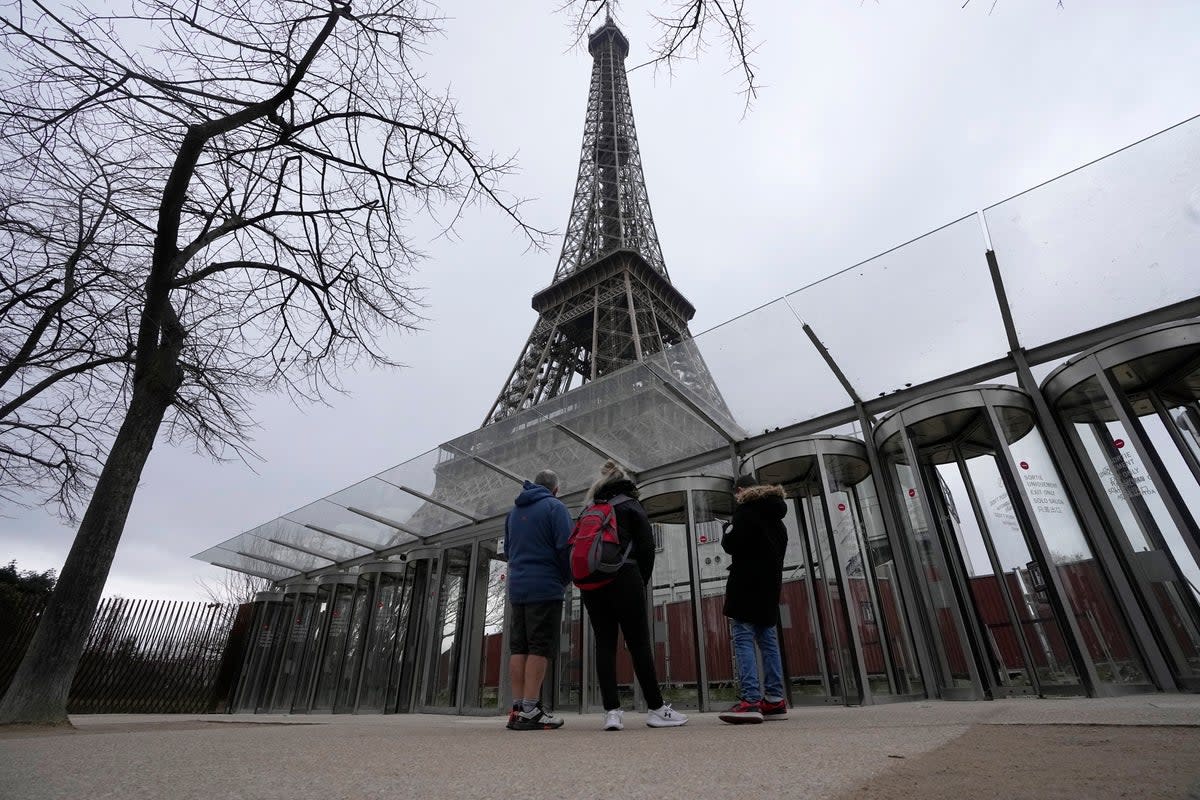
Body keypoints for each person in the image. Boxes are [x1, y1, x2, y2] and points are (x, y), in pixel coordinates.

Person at [578, 460, 688, 731]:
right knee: (638, 643)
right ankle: (656, 709)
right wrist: (641, 581)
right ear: (625, 481)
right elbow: (647, 548)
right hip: (625, 577)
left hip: (592, 583)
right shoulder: (630, 504)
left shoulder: (590, 508)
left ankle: (612, 713)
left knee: (604, 644)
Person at [505, 469, 573, 730]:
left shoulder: (513, 513)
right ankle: (532, 709)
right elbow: (566, 546)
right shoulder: (555, 507)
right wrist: (564, 579)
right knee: (539, 647)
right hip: (545, 586)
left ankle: (518, 708)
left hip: (518, 587)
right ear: (555, 489)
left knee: (518, 647)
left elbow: (509, 550)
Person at [718, 473, 790, 724]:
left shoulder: (746, 513)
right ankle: (774, 699)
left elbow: (730, 544)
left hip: (746, 586)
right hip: (770, 588)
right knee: (768, 641)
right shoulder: (778, 520)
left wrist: (726, 528)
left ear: (739, 490)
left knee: (743, 638)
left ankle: (750, 701)